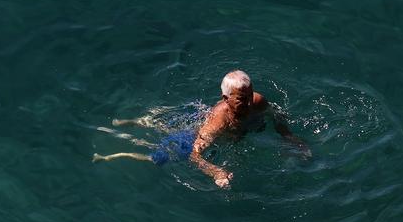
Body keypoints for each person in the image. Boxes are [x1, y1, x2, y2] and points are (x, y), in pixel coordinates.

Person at [92, 70, 310, 187]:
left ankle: (136, 122)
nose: (249, 104)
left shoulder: (257, 100)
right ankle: (113, 154)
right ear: (225, 98)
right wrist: (216, 172)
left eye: (250, 96)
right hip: (201, 132)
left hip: (234, 131)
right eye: (242, 100)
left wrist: (288, 136)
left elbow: (276, 115)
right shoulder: (217, 122)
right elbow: (195, 156)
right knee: (159, 156)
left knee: (167, 124)